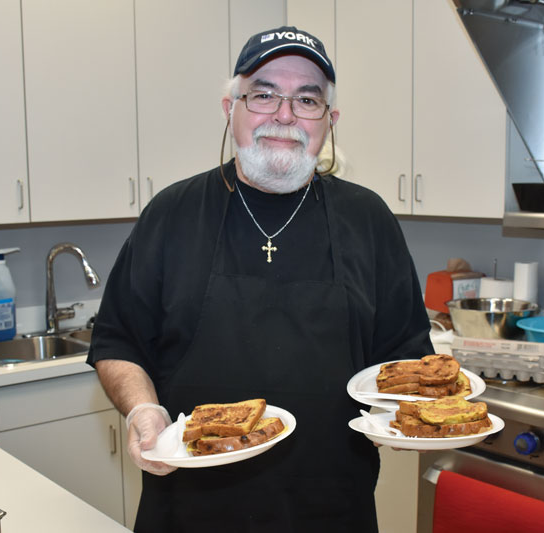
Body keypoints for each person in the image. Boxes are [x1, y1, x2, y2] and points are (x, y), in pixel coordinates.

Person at [87, 26, 433, 532]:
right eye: (263, 94)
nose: (284, 114)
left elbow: (405, 358)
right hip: (189, 508)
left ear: (329, 122)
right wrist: (143, 412)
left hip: (333, 508)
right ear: (231, 109)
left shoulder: (369, 219)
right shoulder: (172, 213)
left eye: (307, 99)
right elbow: (118, 341)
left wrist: (400, 417)